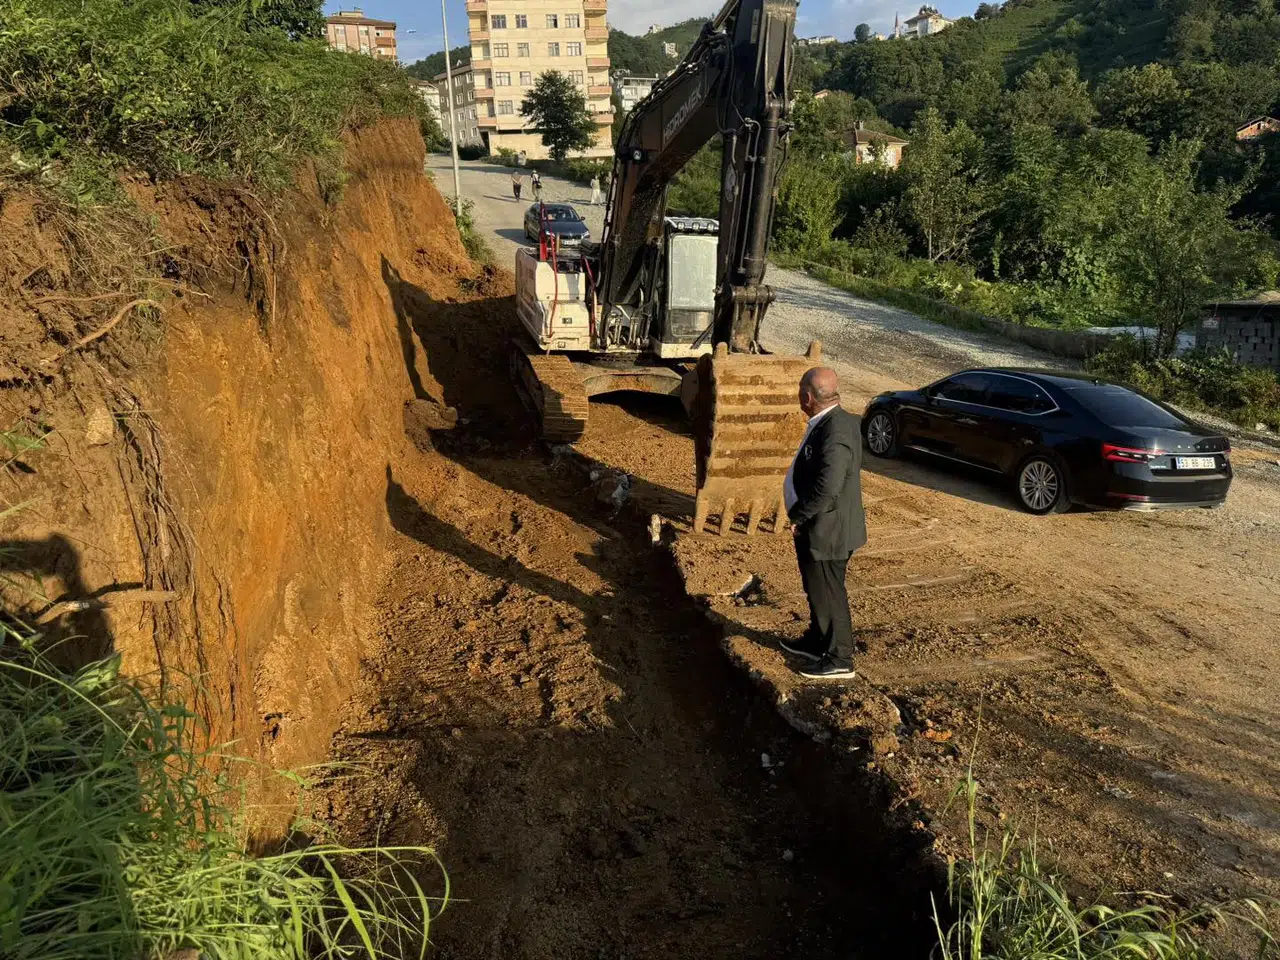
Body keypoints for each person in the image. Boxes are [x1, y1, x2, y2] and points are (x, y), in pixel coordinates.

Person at [781, 367, 866, 681]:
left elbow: (828, 488)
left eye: (799, 392)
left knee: (830, 592)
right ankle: (817, 640)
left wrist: (799, 515)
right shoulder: (833, 421)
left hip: (828, 531)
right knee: (816, 588)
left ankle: (840, 657)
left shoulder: (836, 431)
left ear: (807, 396)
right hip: (821, 527)